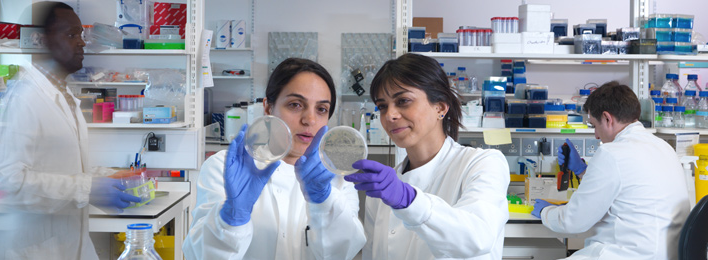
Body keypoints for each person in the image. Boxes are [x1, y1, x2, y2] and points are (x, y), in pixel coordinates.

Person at [0, 2, 141, 259]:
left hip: (65, 244)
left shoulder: (63, 95)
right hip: (26, 250)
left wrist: (109, 177)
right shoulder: (23, 98)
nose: (82, 43)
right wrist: (88, 188)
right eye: (72, 35)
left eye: (81, 35)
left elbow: (65, 171)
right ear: (42, 40)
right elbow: (4, 181)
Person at [182, 58, 366, 259]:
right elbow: (201, 255)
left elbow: (344, 252)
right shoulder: (224, 167)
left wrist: (324, 200)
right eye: (295, 105)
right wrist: (232, 217)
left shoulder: (336, 176)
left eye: (321, 109)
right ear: (268, 108)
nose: (309, 120)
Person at [344, 53, 510, 260]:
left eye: (403, 101)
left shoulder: (481, 163)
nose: (390, 115)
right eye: (382, 106)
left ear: (440, 107)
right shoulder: (384, 188)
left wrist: (409, 201)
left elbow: (479, 238)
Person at [532, 81, 690, 260]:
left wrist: (546, 212)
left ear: (607, 118)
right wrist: (583, 171)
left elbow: (574, 222)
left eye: (594, 125)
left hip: (628, 254)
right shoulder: (662, 147)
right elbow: (626, 189)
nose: (596, 135)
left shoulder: (612, 153)